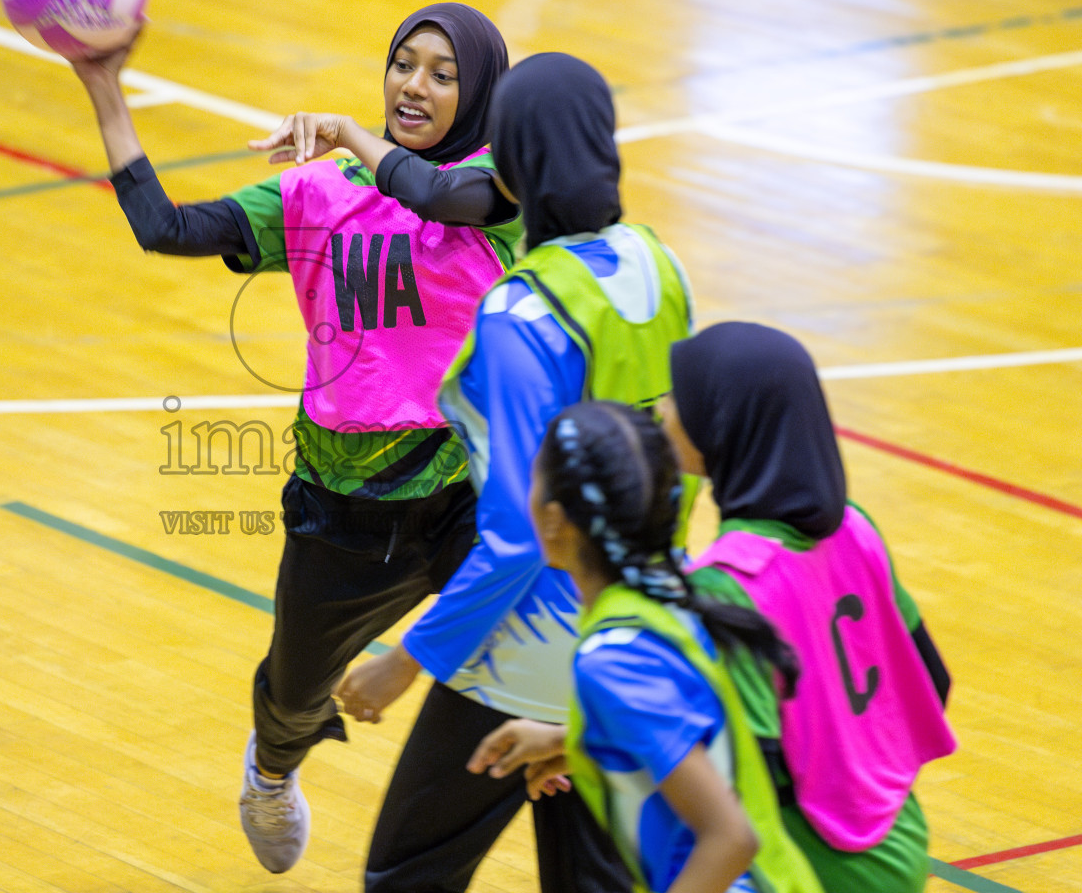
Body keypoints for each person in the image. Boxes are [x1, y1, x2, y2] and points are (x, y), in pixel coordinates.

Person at [67, 3, 519, 873]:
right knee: (293, 692)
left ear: (481, 91)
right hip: (341, 507)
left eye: (442, 72)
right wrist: (104, 88)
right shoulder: (318, 194)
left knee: (543, 640)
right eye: (403, 64)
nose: (414, 86)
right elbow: (167, 228)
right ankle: (271, 771)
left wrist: (352, 135)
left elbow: (433, 191)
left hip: (466, 495)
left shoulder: (498, 192)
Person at [337, 52, 692, 892]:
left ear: (516, 160)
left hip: (529, 653)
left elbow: (518, 535)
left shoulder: (522, 315)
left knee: (408, 871)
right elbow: (684, 465)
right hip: (635, 636)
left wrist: (406, 658)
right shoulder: (658, 265)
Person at [468, 400, 825, 893]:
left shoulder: (614, 658)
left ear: (553, 519)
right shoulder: (672, 602)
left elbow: (729, 839)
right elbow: (696, 728)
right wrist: (572, 740)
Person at [661, 322, 957, 892]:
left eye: (678, 399)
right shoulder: (855, 527)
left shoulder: (728, 583)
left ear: (721, 424)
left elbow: (752, 774)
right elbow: (933, 680)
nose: (665, 412)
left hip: (813, 867)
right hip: (898, 838)